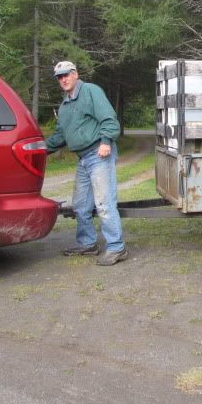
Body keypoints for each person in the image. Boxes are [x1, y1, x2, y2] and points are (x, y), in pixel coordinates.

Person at [45, 61, 128, 266]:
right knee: (81, 205)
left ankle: (117, 247)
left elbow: (109, 119)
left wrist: (106, 141)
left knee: (104, 203)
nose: (63, 79)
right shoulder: (65, 105)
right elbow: (60, 135)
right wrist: (38, 148)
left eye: (66, 75)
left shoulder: (91, 91)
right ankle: (87, 244)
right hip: (83, 159)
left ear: (75, 74)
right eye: (59, 77)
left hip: (99, 154)